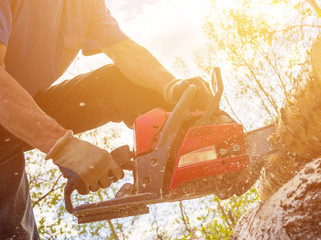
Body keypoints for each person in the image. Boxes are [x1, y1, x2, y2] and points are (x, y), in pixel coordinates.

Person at [0, 1, 212, 239]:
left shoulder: (86, 5)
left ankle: (196, 152)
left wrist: (173, 89)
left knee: (120, 85)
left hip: (20, 107)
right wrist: (65, 147)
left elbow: (126, 52)